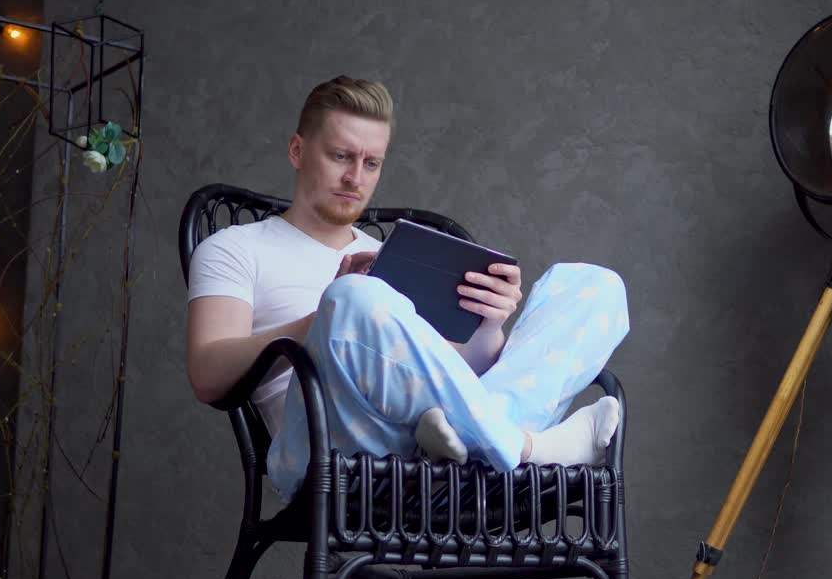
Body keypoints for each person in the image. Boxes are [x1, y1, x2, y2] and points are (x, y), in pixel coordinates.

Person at [185, 76, 629, 502]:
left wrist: (489, 325)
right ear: (297, 150)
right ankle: (526, 448)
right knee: (353, 297)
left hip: (430, 451)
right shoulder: (235, 248)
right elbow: (208, 376)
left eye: (371, 163)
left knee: (594, 287)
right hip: (325, 456)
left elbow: (444, 372)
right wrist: (323, 316)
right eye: (340, 156)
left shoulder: (396, 255)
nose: (355, 177)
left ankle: (491, 441)